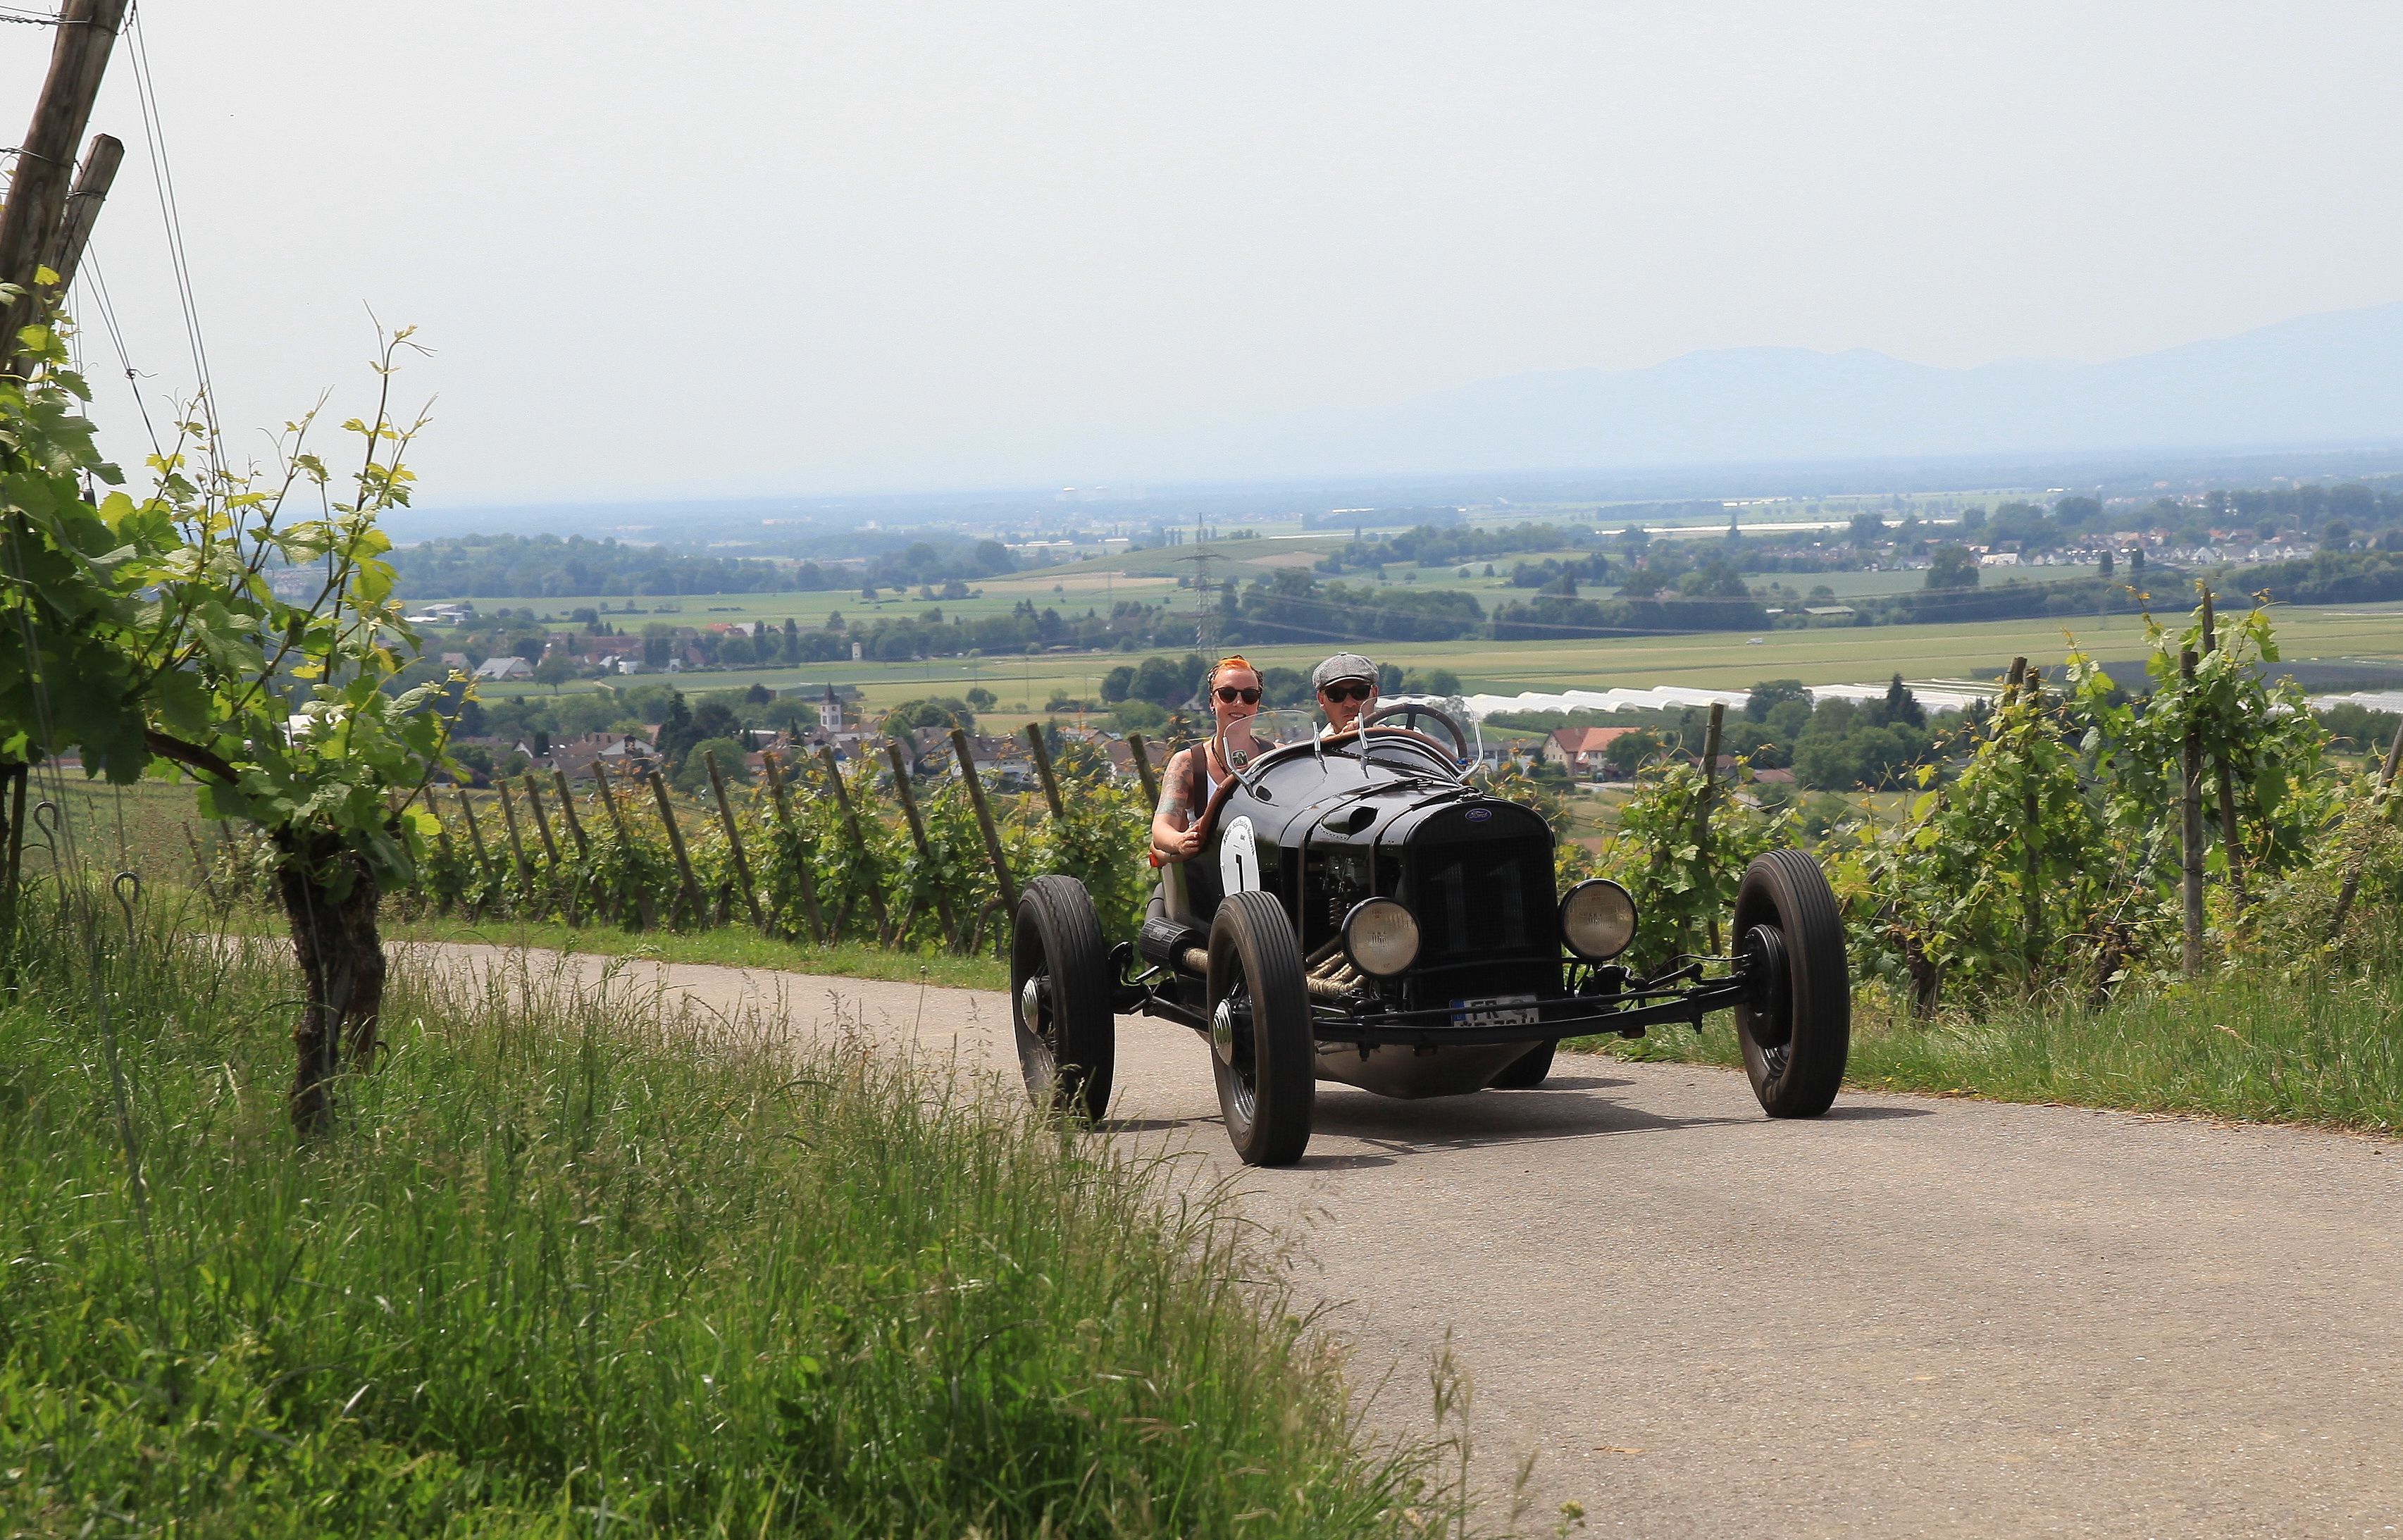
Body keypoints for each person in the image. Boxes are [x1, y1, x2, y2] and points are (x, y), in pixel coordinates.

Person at [1150, 654, 1262, 864]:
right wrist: (1181, 841)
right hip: (1208, 877)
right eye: (1228, 694)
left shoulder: (1276, 756)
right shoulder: (1189, 763)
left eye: (1249, 695)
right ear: (1212, 702)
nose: (1239, 702)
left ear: (1258, 703)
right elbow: (1161, 827)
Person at [1312, 652, 1379, 734]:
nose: (1350, 704)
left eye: (1360, 692)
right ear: (1321, 700)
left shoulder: (1397, 740)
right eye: (1336, 695)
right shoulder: (1313, 747)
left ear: (1374, 694)